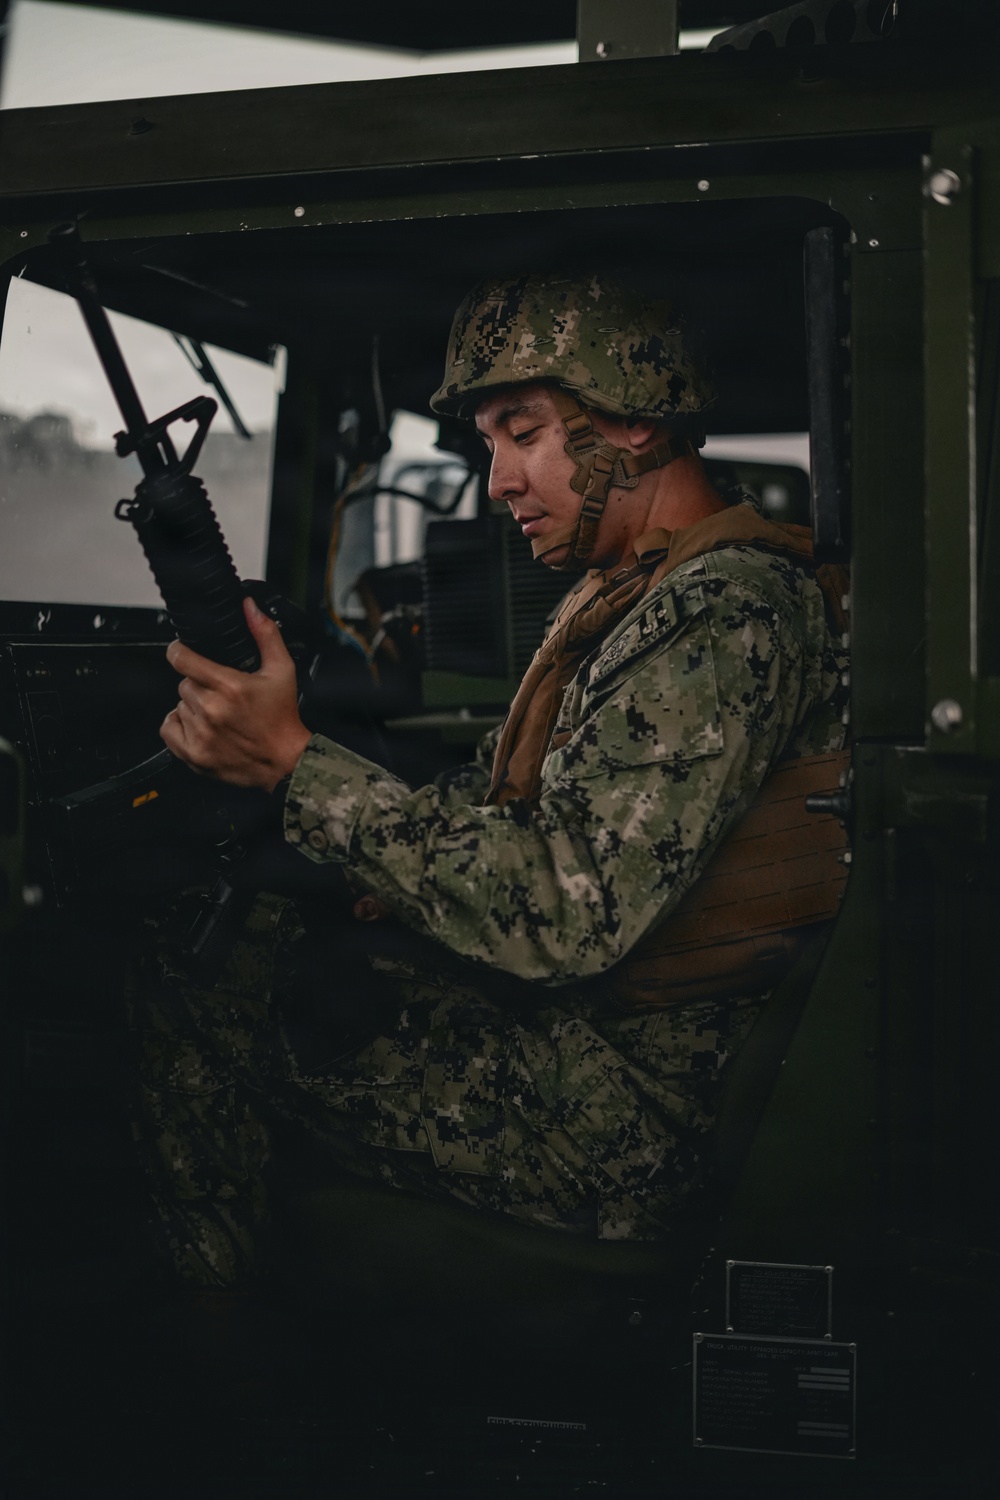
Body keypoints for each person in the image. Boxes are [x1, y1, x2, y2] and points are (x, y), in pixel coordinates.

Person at [137, 272, 849, 1293]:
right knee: (247, 941)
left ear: (631, 426)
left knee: (195, 989)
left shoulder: (725, 611)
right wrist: (365, 863)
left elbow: (562, 911)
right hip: (602, 1045)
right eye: (488, 444)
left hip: (629, 1118)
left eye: (523, 434)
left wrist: (294, 763)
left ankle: (205, 1367)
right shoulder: (634, 592)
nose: (497, 481)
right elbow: (501, 800)